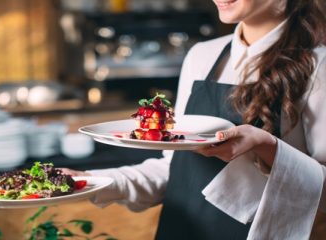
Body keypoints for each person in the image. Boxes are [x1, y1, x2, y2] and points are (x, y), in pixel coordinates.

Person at [62, 0, 326, 239]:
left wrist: (265, 144)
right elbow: (175, 169)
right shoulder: (202, 56)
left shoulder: (319, 66)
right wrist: (89, 180)